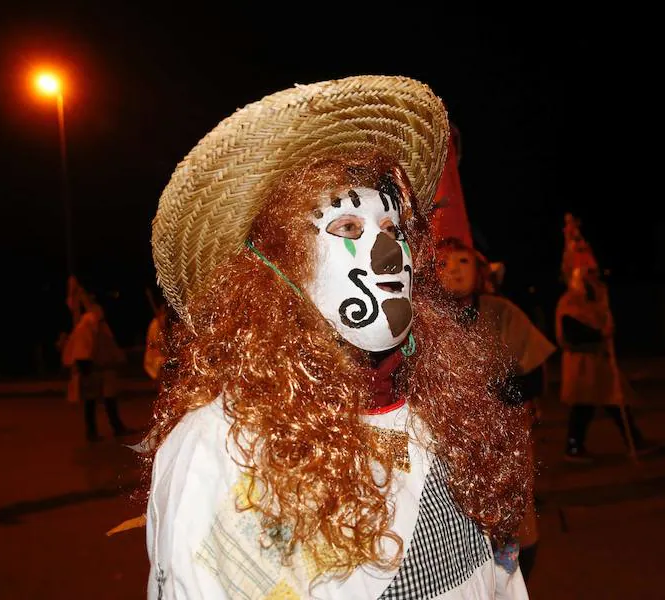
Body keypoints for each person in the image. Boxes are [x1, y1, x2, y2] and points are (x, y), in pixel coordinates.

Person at [144, 76, 533, 599]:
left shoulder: (450, 414)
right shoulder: (227, 449)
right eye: (347, 228)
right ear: (275, 268)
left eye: (394, 231)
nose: (389, 255)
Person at [436, 237, 554, 582]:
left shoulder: (501, 313)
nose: (454, 272)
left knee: (515, 523)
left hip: (503, 436)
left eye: (463, 262)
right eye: (443, 264)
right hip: (445, 440)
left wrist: (491, 399)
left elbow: (532, 375)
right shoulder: (422, 320)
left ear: (479, 271)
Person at [556, 214, 646, 462]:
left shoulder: (597, 299)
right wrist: (598, 334)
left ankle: (633, 440)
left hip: (599, 359)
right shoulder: (570, 301)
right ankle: (574, 446)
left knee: (615, 399)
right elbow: (571, 330)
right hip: (583, 361)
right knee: (585, 404)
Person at [62, 284, 131, 442]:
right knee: (92, 401)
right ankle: (93, 432)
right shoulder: (87, 325)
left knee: (108, 399)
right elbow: (82, 349)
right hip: (92, 369)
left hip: (101, 368)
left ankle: (115, 427)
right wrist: (86, 368)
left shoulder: (97, 324)